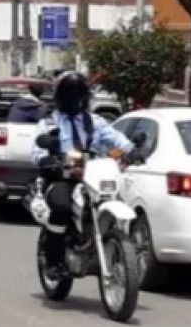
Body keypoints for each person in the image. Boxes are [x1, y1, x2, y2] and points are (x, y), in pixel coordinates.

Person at [31, 72, 133, 278]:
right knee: (61, 208)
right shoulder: (50, 122)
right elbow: (37, 150)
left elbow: (117, 140)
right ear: (60, 96)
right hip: (62, 177)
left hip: (93, 175)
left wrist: (132, 150)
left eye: (78, 93)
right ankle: (54, 262)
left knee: (118, 198)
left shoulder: (96, 122)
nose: (74, 98)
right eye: (70, 94)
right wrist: (46, 159)